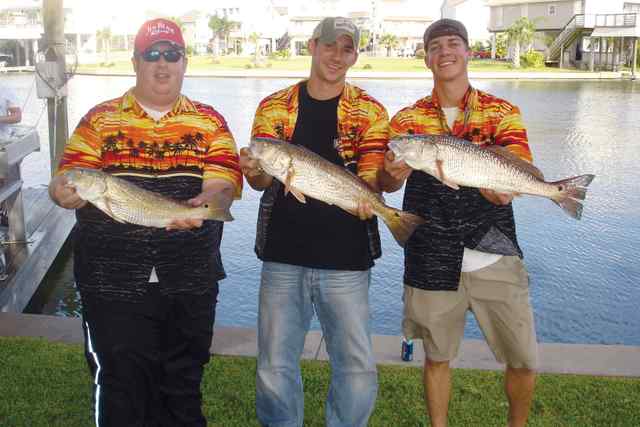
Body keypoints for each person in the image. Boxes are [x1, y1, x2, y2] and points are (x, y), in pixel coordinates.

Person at [48, 18, 242, 426]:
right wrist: (61, 191)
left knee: (182, 388)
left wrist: (207, 202)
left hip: (190, 279)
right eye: (152, 55)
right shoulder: (99, 121)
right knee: (121, 388)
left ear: (184, 62)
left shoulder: (210, 121)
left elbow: (223, 183)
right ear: (135, 61)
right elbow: (68, 176)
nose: (162, 64)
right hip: (112, 282)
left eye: (171, 54)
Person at [240, 16, 402, 427]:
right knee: (274, 365)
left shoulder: (370, 110)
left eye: (347, 49)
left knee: (356, 368)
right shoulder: (274, 106)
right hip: (282, 256)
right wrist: (253, 169)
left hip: (347, 260)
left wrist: (381, 188)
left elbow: (370, 180)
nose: (336, 55)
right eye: (329, 45)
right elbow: (260, 181)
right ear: (312, 46)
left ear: (355, 56)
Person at [385, 19, 538, 427]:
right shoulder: (407, 120)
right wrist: (390, 174)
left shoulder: (502, 112)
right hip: (430, 252)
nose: (445, 52)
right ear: (426, 58)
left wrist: (505, 189)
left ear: (469, 51)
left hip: (495, 250)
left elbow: (518, 162)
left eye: (454, 43)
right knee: (437, 357)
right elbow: (385, 179)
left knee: (523, 359)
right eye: (435, 46)